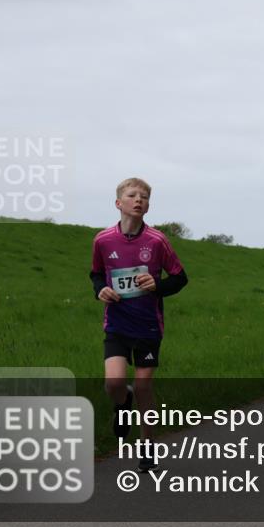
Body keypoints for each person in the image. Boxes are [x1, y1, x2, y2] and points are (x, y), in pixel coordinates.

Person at [90, 177, 189, 472]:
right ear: (119, 203)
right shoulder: (103, 240)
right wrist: (100, 290)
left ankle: (147, 446)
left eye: (144, 197)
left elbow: (180, 278)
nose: (139, 200)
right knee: (115, 384)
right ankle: (123, 403)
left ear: (148, 206)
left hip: (148, 326)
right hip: (117, 323)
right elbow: (95, 274)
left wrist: (156, 285)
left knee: (144, 384)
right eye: (132, 195)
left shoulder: (157, 241)